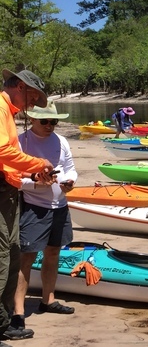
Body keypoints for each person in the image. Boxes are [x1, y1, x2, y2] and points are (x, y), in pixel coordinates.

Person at [4, 102, 78, 341]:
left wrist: (68, 181)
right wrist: (36, 183)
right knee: (26, 257)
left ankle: (49, 299)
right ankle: (18, 312)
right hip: (34, 208)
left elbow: (70, 169)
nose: (49, 126)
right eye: (44, 121)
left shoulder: (61, 141)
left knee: (53, 252)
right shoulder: (21, 142)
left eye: (53, 121)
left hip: (60, 206)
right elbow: (14, 177)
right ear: (32, 119)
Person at [0, 69, 55, 344]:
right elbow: (2, 152)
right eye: (33, 97)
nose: (32, 105)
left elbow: (7, 162)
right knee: (1, 256)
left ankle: (3, 321)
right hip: (1, 193)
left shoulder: (8, 112)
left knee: (11, 253)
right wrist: (38, 164)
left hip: (8, 190)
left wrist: (32, 175)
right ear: (19, 86)